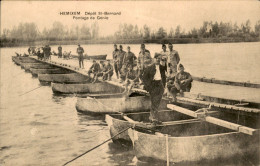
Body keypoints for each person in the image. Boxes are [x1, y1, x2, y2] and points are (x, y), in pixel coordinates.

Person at [142, 54, 167, 124]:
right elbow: (144, 77)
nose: (158, 60)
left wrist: (163, 86)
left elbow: (164, 76)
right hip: (153, 86)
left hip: (160, 85)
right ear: (154, 59)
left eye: (159, 59)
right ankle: (153, 118)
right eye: (157, 58)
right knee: (154, 101)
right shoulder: (149, 67)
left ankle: (153, 117)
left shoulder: (162, 67)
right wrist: (148, 86)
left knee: (157, 102)